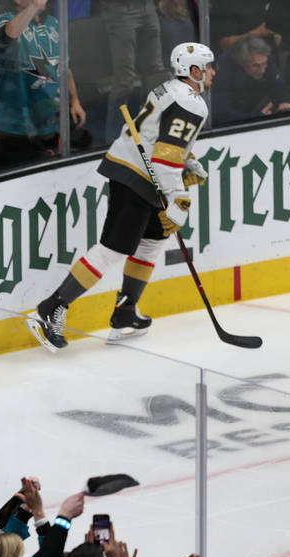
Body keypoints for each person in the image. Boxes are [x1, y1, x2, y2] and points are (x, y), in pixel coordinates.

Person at [27, 42, 215, 351]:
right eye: (208, 67)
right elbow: (165, 159)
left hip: (137, 171)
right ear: (193, 72)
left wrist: (188, 160)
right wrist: (179, 196)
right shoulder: (192, 103)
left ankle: (126, 311)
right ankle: (51, 309)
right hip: (136, 178)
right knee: (112, 250)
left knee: (152, 242)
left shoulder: (168, 89)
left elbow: (161, 137)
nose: (212, 72)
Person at [0, 0, 86, 170]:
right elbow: (9, 34)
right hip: (13, 126)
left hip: (46, 120)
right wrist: (33, 6)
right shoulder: (3, 19)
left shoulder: (54, 23)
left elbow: (64, 66)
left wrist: (75, 100)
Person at [97, 0, 169, 141]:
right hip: (121, 9)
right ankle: (114, 139)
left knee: (157, 73)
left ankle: (155, 129)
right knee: (125, 80)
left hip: (148, 7)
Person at [213, 36, 290, 124]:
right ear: (241, 63)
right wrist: (256, 118)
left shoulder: (264, 59)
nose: (262, 70)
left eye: (265, 64)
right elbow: (221, 114)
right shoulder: (222, 70)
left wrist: (287, 103)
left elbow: (280, 87)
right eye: (256, 66)